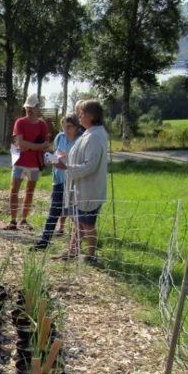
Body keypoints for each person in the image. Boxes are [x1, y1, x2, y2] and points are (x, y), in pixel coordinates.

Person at [51, 99, 108, 264]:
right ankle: (73, 250)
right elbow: (82, 156)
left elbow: (89, 165)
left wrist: (66, 167)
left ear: (90, 116)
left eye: (82, 113)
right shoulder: (90, 133)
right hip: (81, 188)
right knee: (78, 221)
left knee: (88, 223)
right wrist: (66, 155)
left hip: (89, 188)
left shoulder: (96, 136)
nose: (79, 117)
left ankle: (91, 255)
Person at [34, 114, 82, 250]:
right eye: (64, 126)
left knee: (74, 214)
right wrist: (54, 158)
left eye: (69, 126)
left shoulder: (80, 141)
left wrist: (67, 157)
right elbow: (56, 152)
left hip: (74, 181)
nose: (66, 129)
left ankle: (76, 245)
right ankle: (45, 240)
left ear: (76, 127)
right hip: (59, 180)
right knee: (53, 211)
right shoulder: (59, 137)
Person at [6, 94, 49, 231]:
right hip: (19, 161)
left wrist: (29, 146)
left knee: (30, 192)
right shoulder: (20, 122)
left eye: (31, 108)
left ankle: (24, 219)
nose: (29, 110)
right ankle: (13, 221)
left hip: (35, 164)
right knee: (14, 191)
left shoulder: (42, 124)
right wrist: (37, 146)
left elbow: (46, 144)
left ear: (37, 108)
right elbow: (20, 142)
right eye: (27, 108)